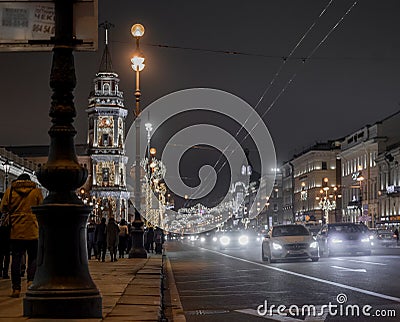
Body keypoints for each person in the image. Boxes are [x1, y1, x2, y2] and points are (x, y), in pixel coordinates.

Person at [0, 173, 43, 298]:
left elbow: (3, 207)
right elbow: (41, 208)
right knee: (33, 257)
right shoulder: (36, 191)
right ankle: (30, 281)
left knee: (17, 259)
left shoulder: (11, 190)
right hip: (33, 230)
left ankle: (16, 288)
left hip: (16, 230)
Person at [0, 192, 10, 279]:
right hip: (8, 234)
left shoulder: (2, 213)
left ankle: (1, 271)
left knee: (1, 254)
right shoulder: (10, 214)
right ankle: (5, 272)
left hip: (2, 234)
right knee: (7, 255)